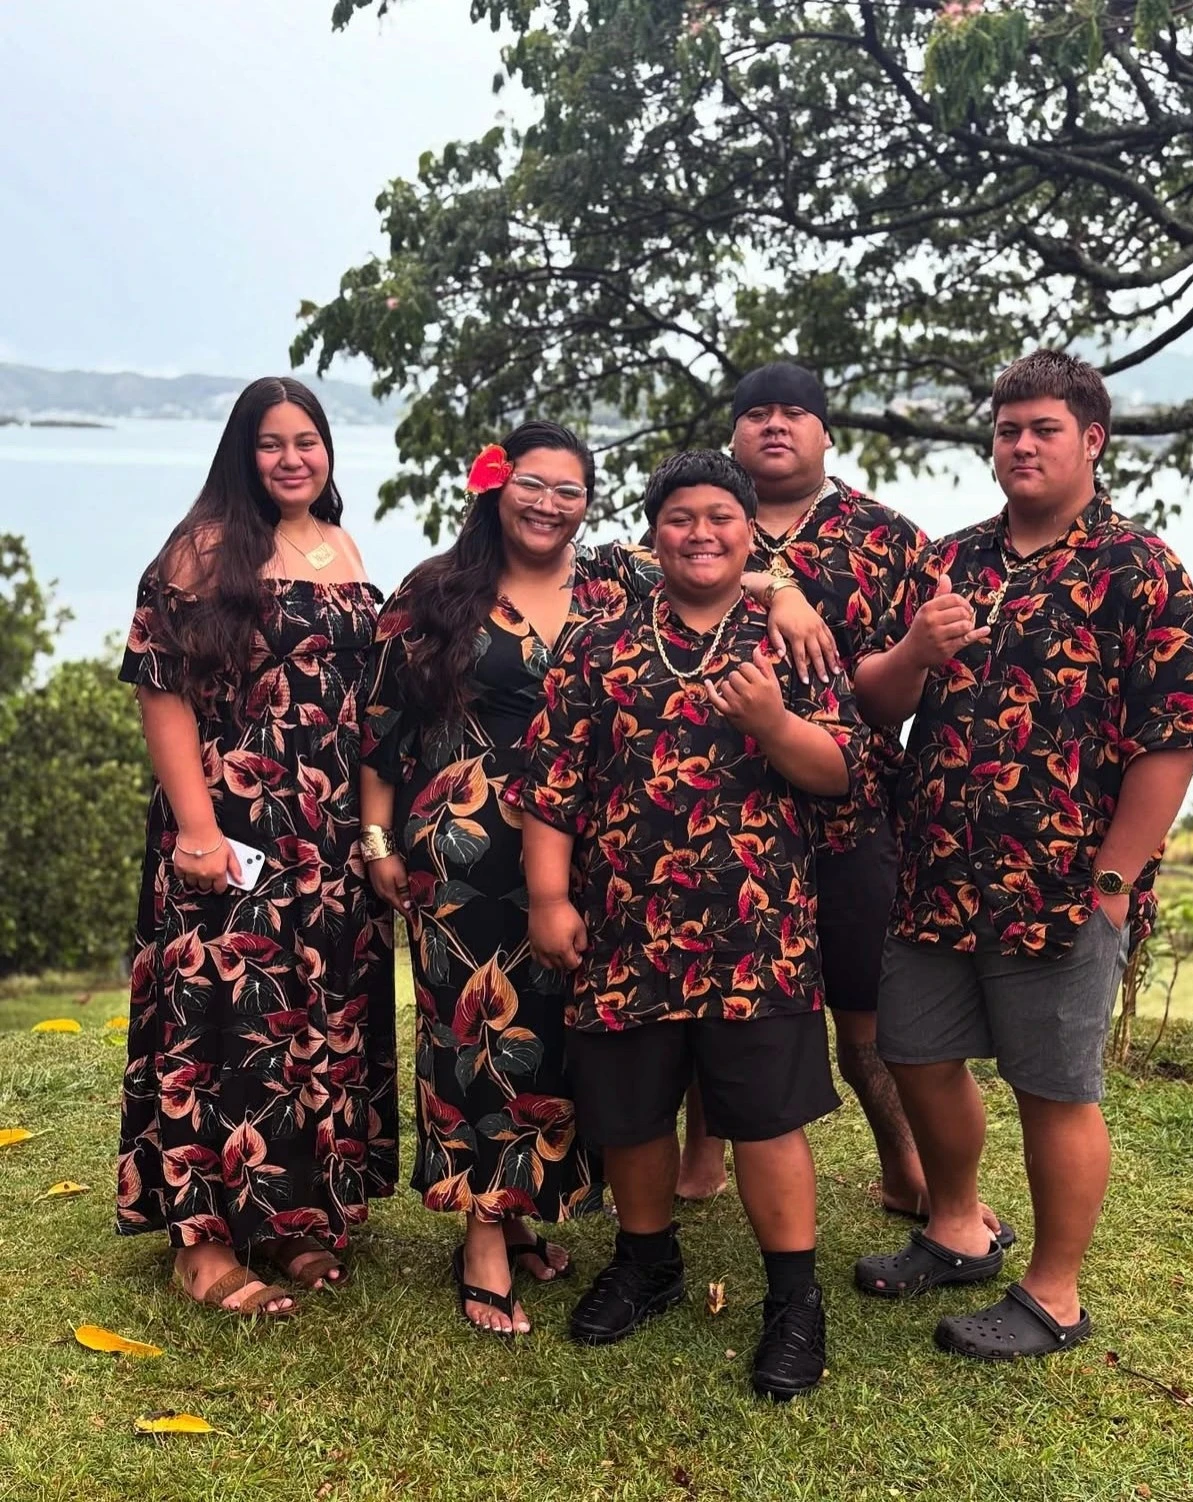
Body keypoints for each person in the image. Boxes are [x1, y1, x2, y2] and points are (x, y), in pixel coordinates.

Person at [358, 423, 831, 1337]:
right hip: (466, 852)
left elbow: (715, 558)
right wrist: (378, 840)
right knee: (472, 1036)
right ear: (495, 487)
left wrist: (791, 595)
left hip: (595, 857)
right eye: (532, 485)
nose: (547, 504)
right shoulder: (438, 591)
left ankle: (534, 1211)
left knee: (568, 1044)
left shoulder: (619, 581)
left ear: (589, 504)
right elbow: (384, 722)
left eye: (568, 491)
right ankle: (484, 1234)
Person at [850, 350, 1193, 1359]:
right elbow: (876, 705)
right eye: (1007, 429)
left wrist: (1111, 885)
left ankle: (1054, 1291)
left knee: (1054, 1086)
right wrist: (917, 649)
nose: (1020, 445)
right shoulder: (953, 562)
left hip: (1063, 886)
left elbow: (1172, 740)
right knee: (915, 1051)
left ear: (1091, 439)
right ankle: (959, 1224)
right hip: (937, 873)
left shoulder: (1140, 569)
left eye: (1042, 428)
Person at [521, 449, 872, 1401]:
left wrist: (774, 724)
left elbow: (845, 773)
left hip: (759, 934)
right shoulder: (599, 646)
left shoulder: (792, 640)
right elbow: (552, 788)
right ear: (654, 532)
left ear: (750, 528)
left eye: (721, 515)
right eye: (682, 517)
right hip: (625, 927)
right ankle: (647, 1263)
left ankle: (794, 1301)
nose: (702, 532)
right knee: (630, 1114)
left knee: (766, 1118)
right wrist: (550, 900)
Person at [677, 362, 1010, 1250]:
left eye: (794, 414)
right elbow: (631, 576)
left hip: (851, 808)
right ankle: (700, 1152)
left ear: (827, 434)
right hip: (712, 814)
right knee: (716, 987)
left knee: (868, 1014)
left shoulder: (889, 539)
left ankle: (909, 1171)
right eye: (756, 415)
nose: (774, 427)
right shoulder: (705, 518)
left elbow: (921, 680)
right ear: (734, 434)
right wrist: (769, 586)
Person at [117, 376, 397, 1318]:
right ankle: (202, 1242)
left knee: (314, 1023)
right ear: (244, 453)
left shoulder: (342, 545)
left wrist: (371, 832)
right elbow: (161, 690)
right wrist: (197, 829)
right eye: (271, 443)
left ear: (327, 450)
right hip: (231, 826)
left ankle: (289, 1216)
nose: (291, 458)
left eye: (307, 440)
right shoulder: (203, 549)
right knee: (219, 1029)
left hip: (328, 838)